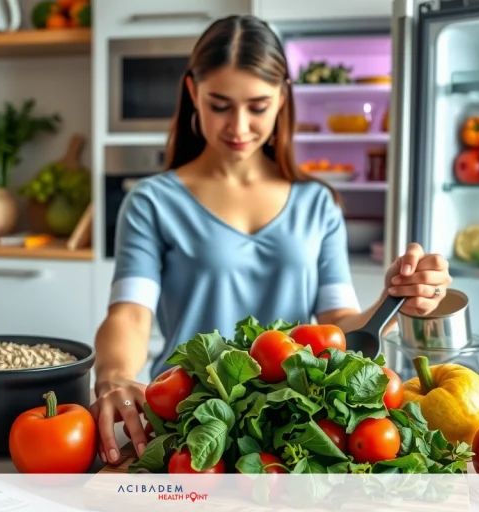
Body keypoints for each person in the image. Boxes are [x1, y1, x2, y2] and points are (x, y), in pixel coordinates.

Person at [89, 15, 452, 465]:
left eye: (257, 107)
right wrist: (114, 374)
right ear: (193, 93)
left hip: (289, 432)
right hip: (188, 428)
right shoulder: (152, 202)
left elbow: (338, 326)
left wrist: (395, 299)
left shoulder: (318, 204)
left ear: (282, 98)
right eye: (220, 105)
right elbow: (129, 315)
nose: (239, 126)